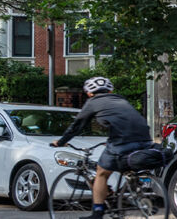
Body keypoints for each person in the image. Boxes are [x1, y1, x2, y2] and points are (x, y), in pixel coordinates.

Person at [50, 76, 154, 216]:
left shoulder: (93, 102)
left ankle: (97, 212)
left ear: (89, 93)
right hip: (145, 138)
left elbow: (77, 126)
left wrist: (61, 142)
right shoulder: (121, 100)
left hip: (122, 140)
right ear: (110, 90)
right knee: (125, 167)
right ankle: (135, 197)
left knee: (101, 172)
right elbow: (126, 121)